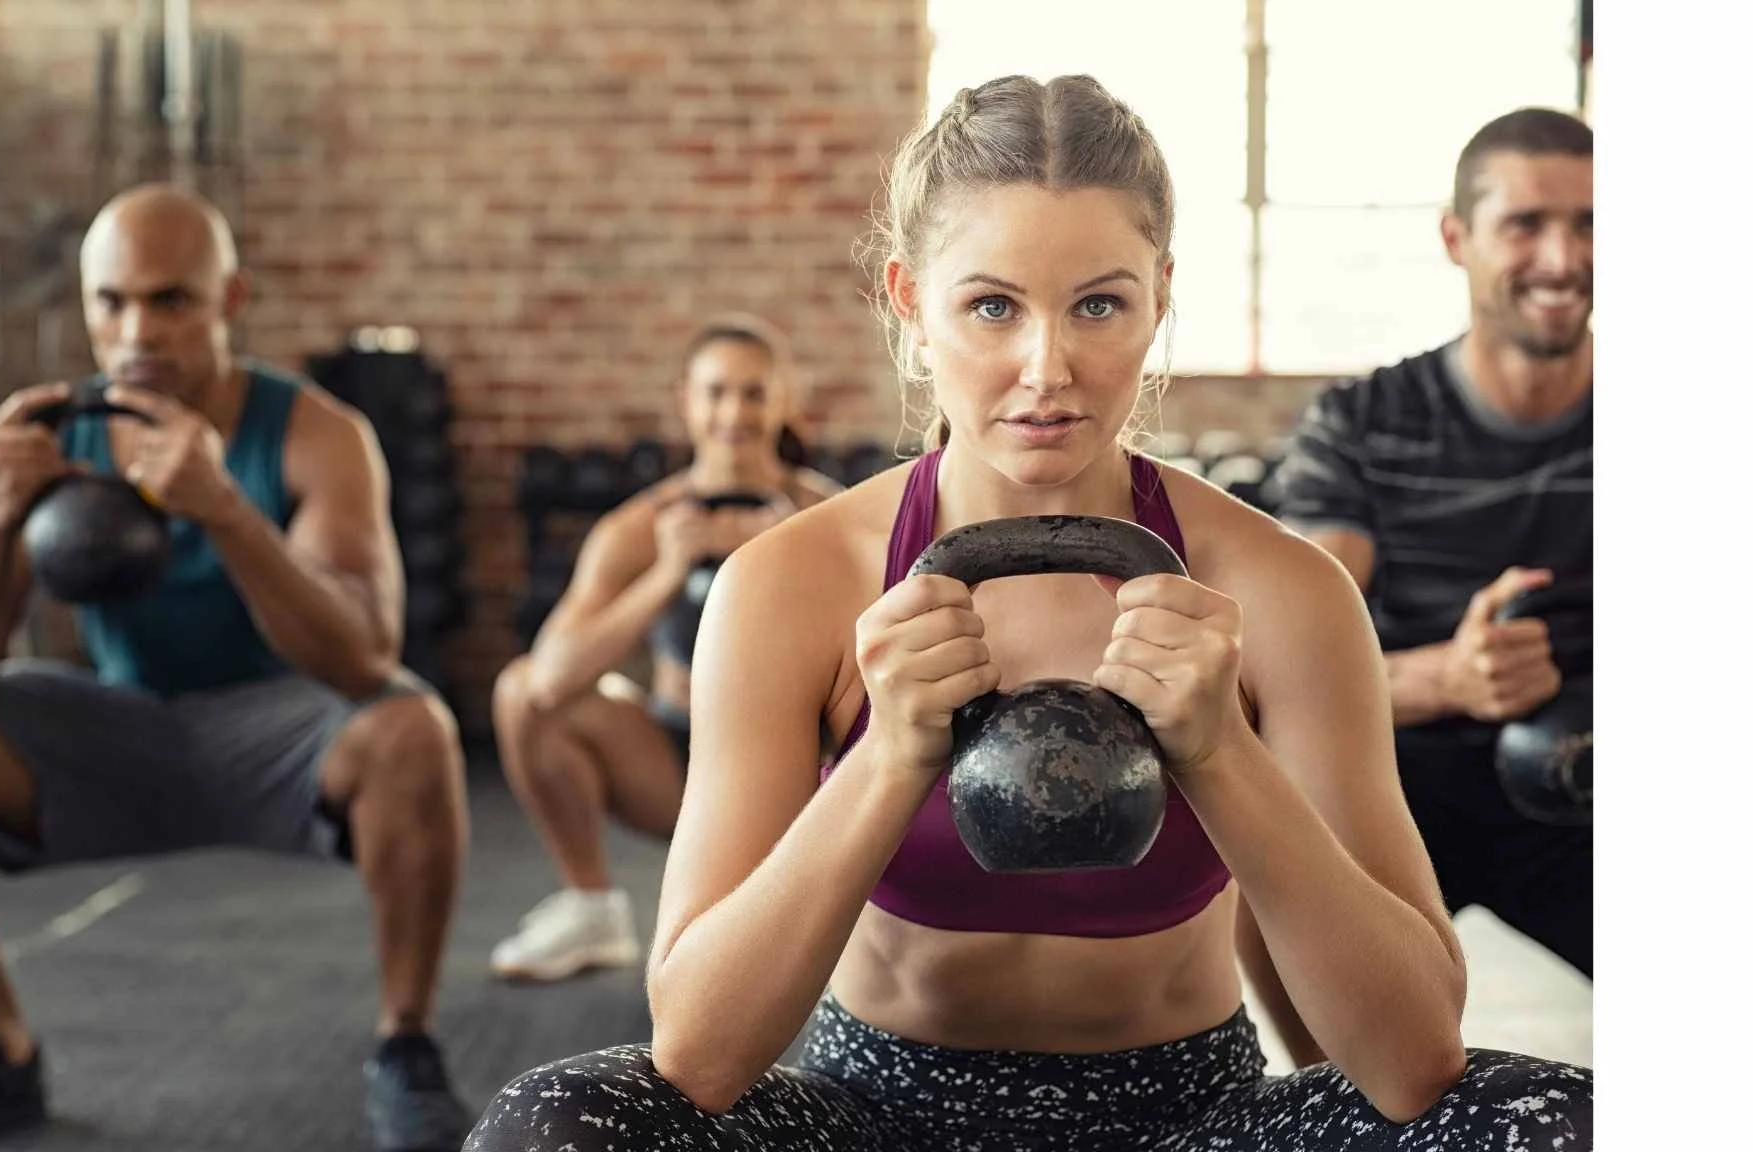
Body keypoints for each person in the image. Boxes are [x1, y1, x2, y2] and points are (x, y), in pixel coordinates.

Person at [464, 76, 1593, 1151]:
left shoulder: (1282, 591)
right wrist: (888, 756)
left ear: (1160, 297)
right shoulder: (791, 584)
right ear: (912, 303)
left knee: (1563, 1124)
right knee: (557, 1125)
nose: (1045, 367)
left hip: (1186, 1119)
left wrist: (1219, 752)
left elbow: (1411, 1064)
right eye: (992, 306)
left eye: (1099, 303)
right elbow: (700, 1054)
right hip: (873, 1119)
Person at [0, 184, 476, 1152]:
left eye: (171, 301)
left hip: (282, 732)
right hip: (118, 730)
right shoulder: (53, 438)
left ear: (231, 302)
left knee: (415, 729)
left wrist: (228, 510)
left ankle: (406, 1046)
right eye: (112, 303)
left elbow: (366, 659)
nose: (137, 330)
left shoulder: (319, 435)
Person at [1244, 107, 1593, 1068]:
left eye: (1592, 224)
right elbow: (1278, 674)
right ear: (1458, 238)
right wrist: (1449, 677)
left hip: (1587, 794)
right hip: (1395, 789)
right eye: (1526, 224)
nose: (1562, 259)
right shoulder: (1361, 424)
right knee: (1263, 829)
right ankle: (1340, 1104)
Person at [488, 316, 843, 982]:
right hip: (675, 761)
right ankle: (591, 906)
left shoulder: (828, 518)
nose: (732, 413)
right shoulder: (639, 528)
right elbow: (548, 679)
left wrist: (789, 562)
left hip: (800, 769)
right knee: (517, 690)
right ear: (685, 399)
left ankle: (859, 912)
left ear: (785, 400)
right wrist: (665, 572)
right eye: (715, 393)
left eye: (751, 393)